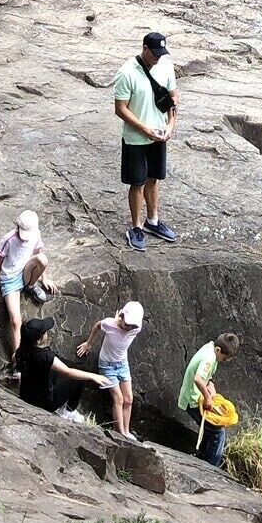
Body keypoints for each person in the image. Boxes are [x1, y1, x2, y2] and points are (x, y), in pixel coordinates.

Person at [114, 31, 179, 251]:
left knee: (154, 178)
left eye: (162, 53)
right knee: (137, 182)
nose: (159, 58)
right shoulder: (126, 73)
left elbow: (173, 96)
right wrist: (143, 128)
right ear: (144, 49)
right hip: (136, 138)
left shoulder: (166, 66)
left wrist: (171, 125)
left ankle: (153, 221)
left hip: (159, 134)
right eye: (155, 53)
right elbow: (120, 108)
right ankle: (136, 226)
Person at [0, 209, 55, 366]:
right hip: (9, 279)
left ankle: (31, 286)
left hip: (24, 272)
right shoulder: (9, 239)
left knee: (43, 259)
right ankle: (17, 358)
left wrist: (44, 278)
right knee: (16, 320)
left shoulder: (35, 234)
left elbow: (38, 253)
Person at [75, 301, 145, 439]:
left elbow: (129, 326)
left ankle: (126, 431)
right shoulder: (109, 324)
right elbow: (97, 326)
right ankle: (120, 433)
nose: (129, 328)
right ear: (122, 316)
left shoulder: (136, 328)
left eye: (132, 325)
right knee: (118, 399)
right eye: (127, 324)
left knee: (129, 399)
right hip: (107, 365)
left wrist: (128, 325)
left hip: (123, 364)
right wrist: (89, 344)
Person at [15, 316, 109, 418]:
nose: (47, 333)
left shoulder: (20, 352)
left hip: (25, 396)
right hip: (45, 404)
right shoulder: (46, 356)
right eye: (45, 332)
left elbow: (17, 362)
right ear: (38, 340)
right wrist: (93, 376)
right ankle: (69, 411)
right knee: (79, 377)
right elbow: (67, 372)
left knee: (52, 373)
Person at [178, 332, 240, 467]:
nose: (224, 361)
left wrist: (211, 387)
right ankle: (212, 466)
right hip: (193, 400)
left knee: (209, 429)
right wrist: (207, 397)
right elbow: (198, 378)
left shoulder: (210, 347)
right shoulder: (209, 358)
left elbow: (207, 377)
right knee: (218, 432)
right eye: (224, 358)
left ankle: (202, 459)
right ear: (218, 350)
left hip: (195, 397)